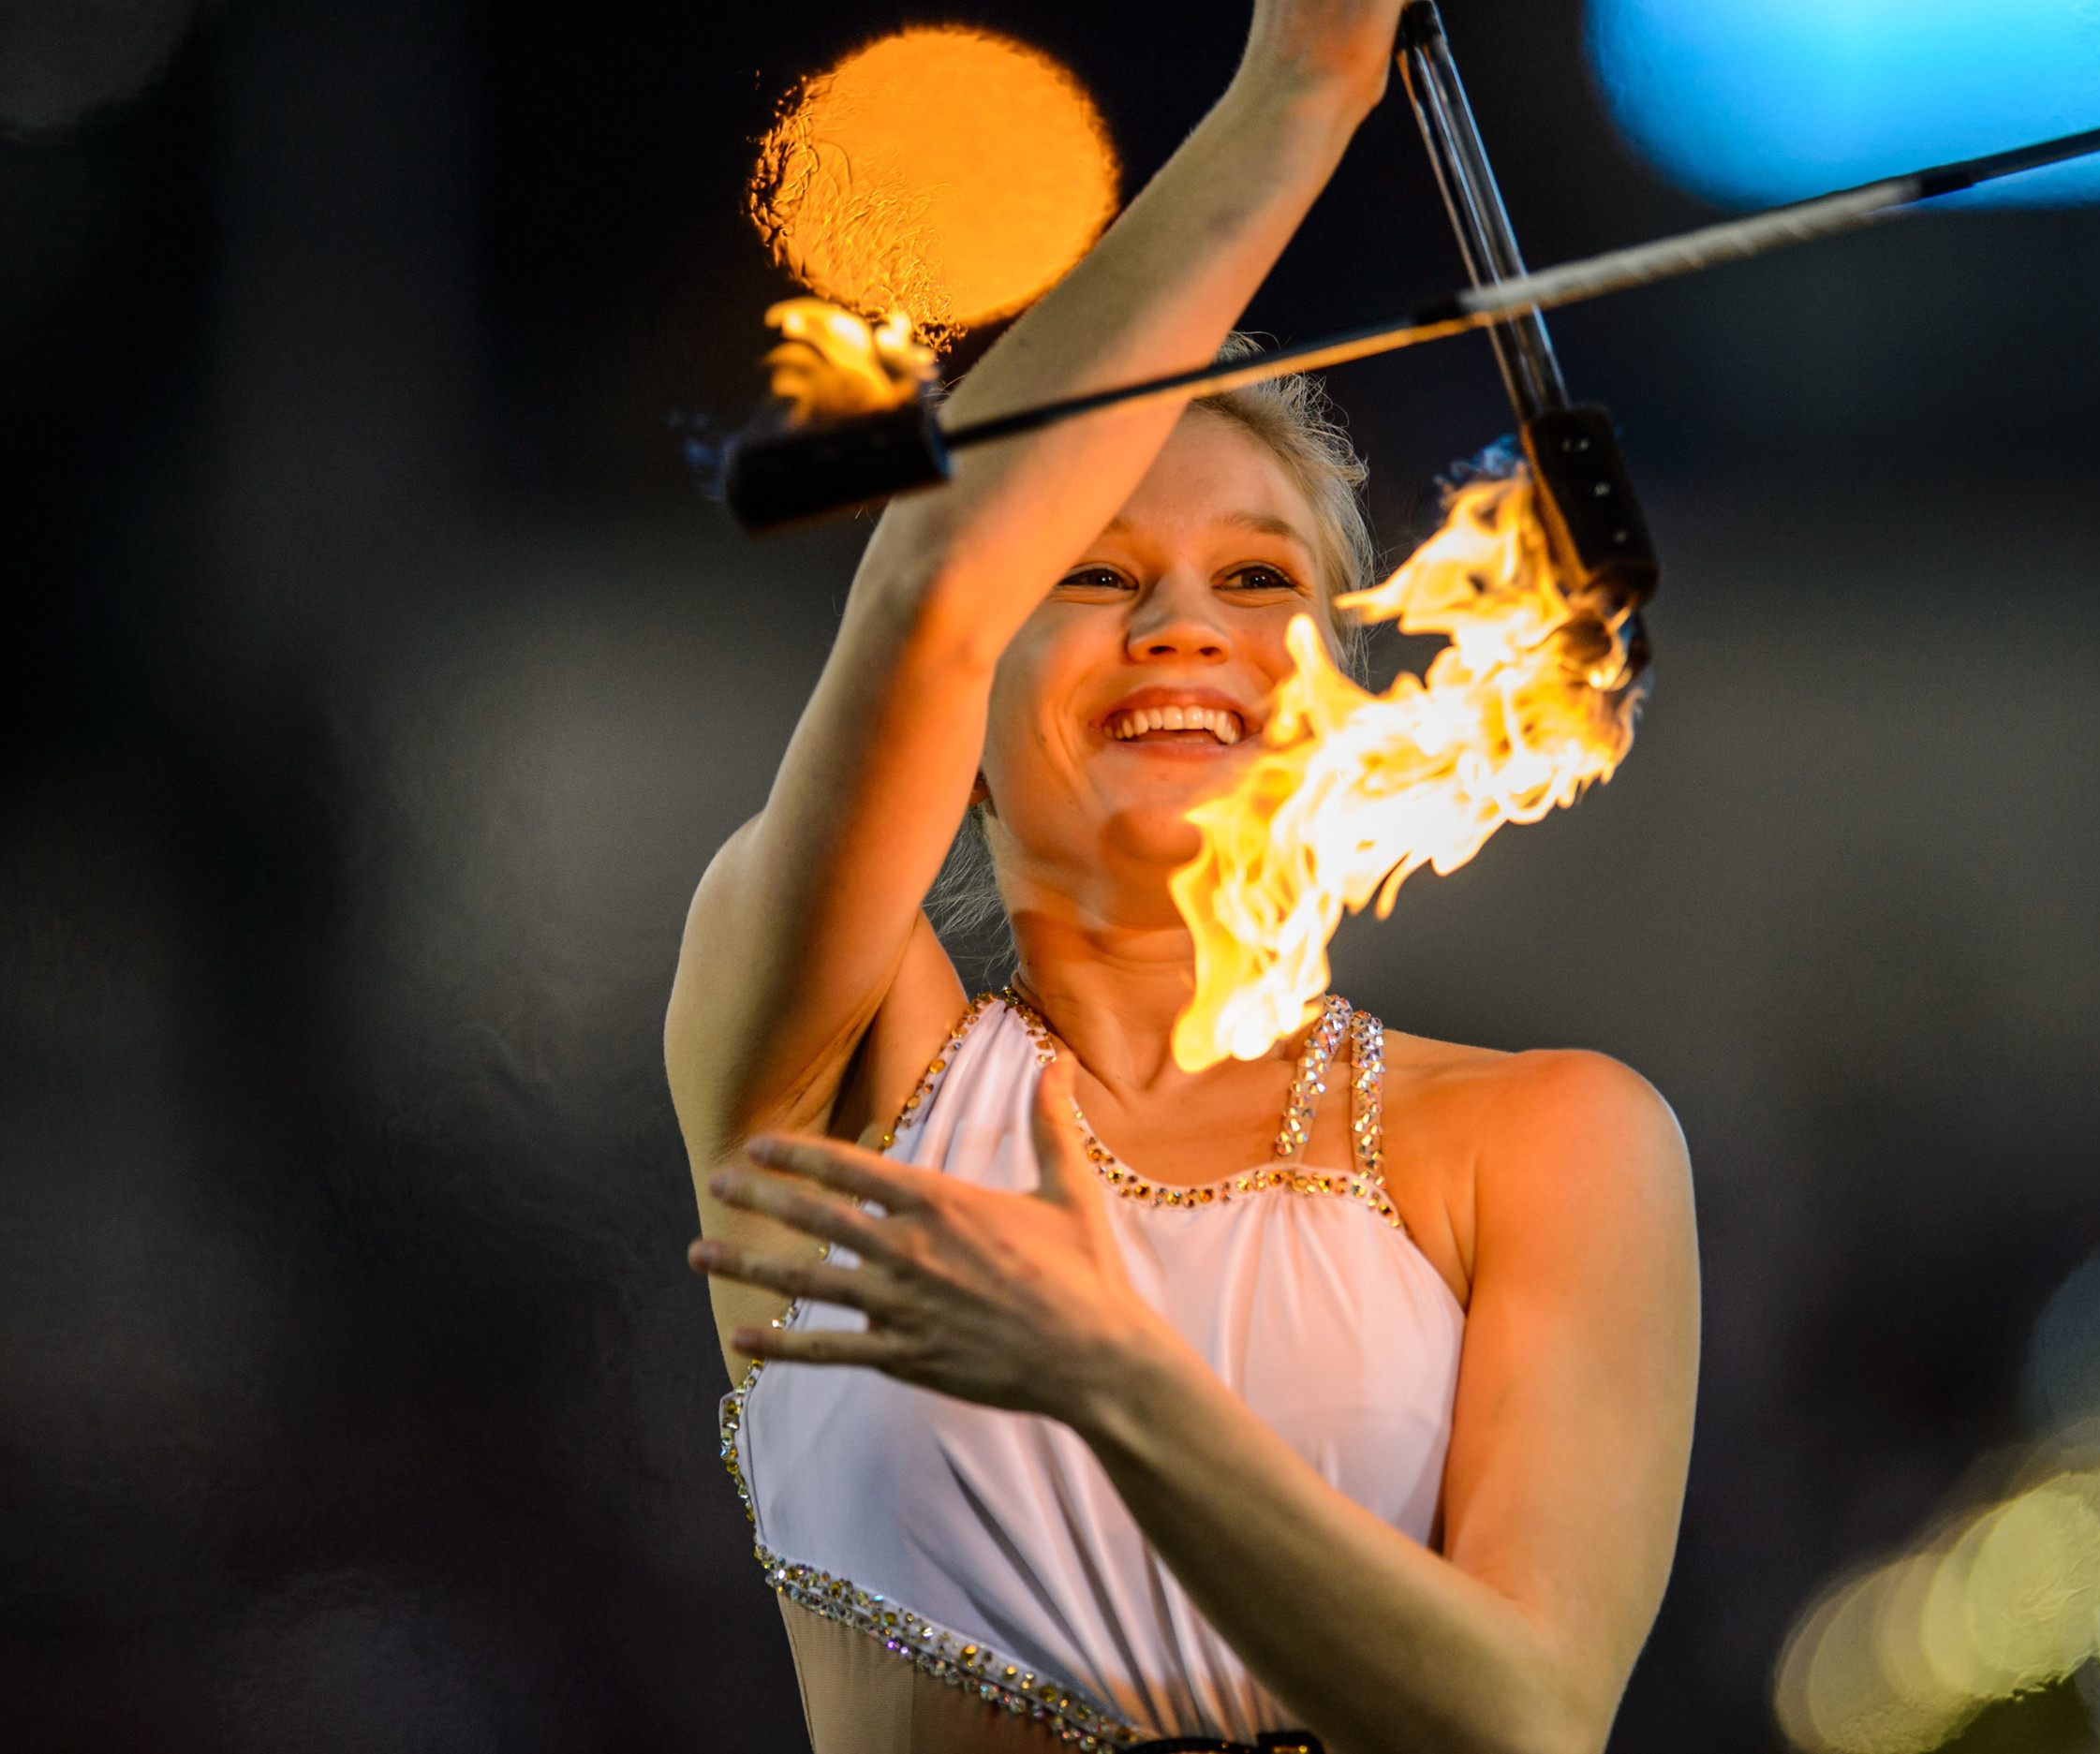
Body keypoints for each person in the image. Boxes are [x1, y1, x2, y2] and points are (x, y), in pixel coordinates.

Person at [664, 0, 1699, 1747]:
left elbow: (1524, 1720)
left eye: (1259, 579)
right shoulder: (853, 1072)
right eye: (1088, 575)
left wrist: (1113, 1376)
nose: (1179, 631)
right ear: (971, 731)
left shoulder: (1552, 1143)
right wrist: (1301, 88)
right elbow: (926, 593)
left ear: (1343, 698)